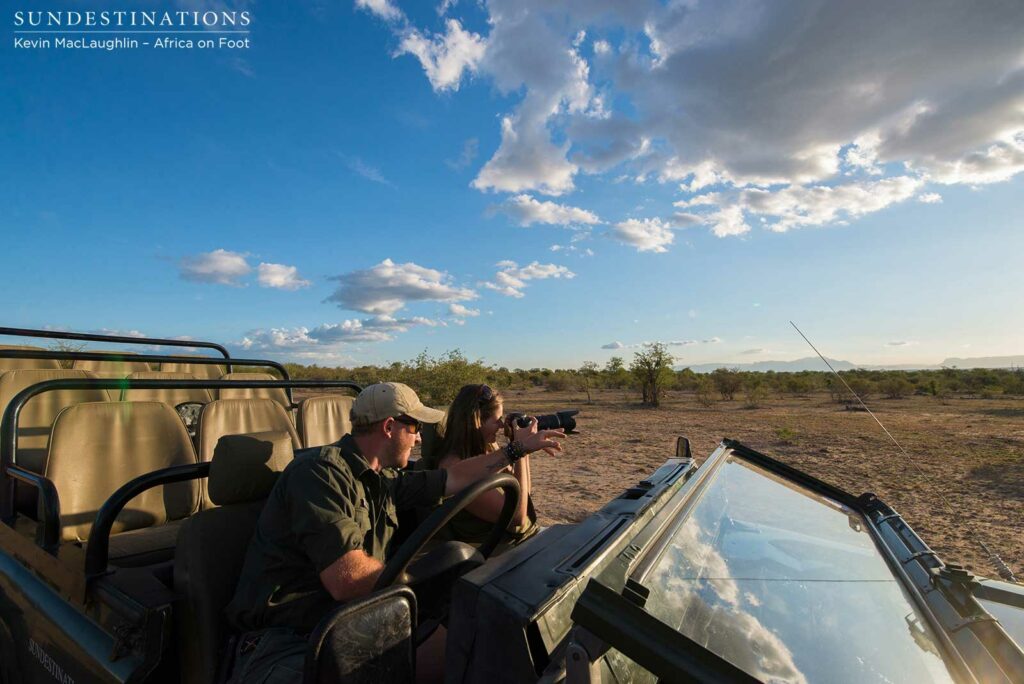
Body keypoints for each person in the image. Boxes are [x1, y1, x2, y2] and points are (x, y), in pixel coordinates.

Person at [224, 381, 564, 684]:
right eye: (414, 427)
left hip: (356, 625)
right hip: (289, 645)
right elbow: (348, 580)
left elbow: (455, 478)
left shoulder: (382, 478)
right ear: (390, 426)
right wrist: (425, 577)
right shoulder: (319, 474)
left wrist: (517, 450)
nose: (418, 438)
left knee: (482, 643)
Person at [421, 384, 544, 548]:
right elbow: (517, 517)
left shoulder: (484, 451)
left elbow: (523, 495)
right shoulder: (454, 466)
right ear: (476, 421)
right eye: (497, 420)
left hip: (518, 540)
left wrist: (523, 449)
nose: (501, 426)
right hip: (496, 551)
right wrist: (520, 448)